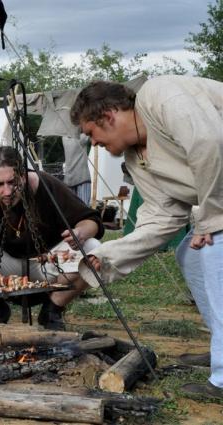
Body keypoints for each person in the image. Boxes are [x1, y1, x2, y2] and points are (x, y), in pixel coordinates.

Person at [71, 75, 223, 400]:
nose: (93, 143)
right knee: (190, 255)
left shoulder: (160, 96)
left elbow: (209, 143)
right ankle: (220, 345)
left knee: (214, 251)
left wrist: (211, 219)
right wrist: (107, 256)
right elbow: (162, 217)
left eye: (91, 133)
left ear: (109, 116)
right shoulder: (136, 158)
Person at [0, 146, 104, 329]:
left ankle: (52, 309)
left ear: (23, 176)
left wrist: (81, 232)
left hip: (48, 264)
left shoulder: (46, 185)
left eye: (12, 182)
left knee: (93, 248)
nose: (7, 191)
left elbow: (91, 220)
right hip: (8, 268)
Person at [62, 134, 91, 205]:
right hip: (82, 178)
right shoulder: (81, 137)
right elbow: (91, 131)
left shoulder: (64, 138)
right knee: (83, 207)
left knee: (72, 208)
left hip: (69, 179)